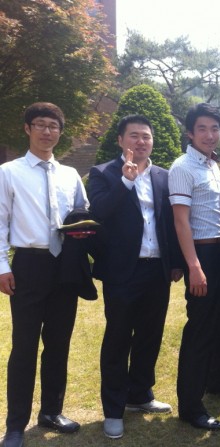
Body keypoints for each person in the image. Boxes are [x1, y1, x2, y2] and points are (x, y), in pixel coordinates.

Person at [87, 115, 183, 439]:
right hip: (122, 271)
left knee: (149, 335)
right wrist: (125, 182)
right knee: (118, 338)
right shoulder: (103, 173)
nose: (141, 141)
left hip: (156, 269)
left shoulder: (163, 176)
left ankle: (140, 394)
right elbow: (99, 212)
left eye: (146, 136)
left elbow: (170, 222)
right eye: (134, 135)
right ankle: (113, 410)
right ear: (120, 140)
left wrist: (175, 262)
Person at [0, 103, 88, 447]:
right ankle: (15, 425)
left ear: (60, 132)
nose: (47, 131)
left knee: (58, 343)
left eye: (53, 126)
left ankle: (51, 411)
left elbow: (83, 214)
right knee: (24, 346)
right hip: (28, 265)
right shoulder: (8, 172)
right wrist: (2, 267)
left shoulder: (70, 175)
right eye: (40, 124)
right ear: (27, 128)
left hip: (63, 266)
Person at [168, 103, 220, 431]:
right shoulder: (182, 167)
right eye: (202, 129)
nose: (210, 135)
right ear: (190, 132)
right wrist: (194, 267)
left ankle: (218, 380)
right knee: (200, 328)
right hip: (202, 254)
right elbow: (181, 222)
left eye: (215, 129)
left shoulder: (211, 164)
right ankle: (190, 405)